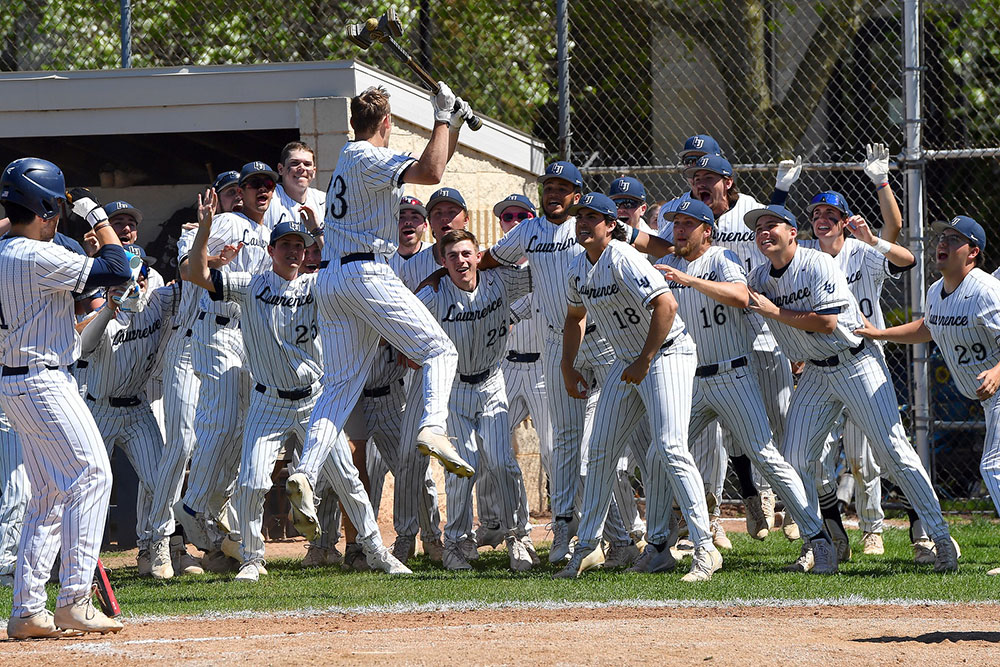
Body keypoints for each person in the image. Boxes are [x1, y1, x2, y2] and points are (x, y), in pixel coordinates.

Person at [284, 84, 474, 543]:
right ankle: (433, 427)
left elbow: (433, 161)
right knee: (440, 352)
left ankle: (306, 471)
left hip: (334, 278)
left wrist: (451, 123)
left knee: (338, 388)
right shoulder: (368, 156)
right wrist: (441, 116)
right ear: (385, 124)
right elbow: (431, 171)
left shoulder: (350, 159)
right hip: (365, 271)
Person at [744, 204, 958, 573]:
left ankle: (938, 536)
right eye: (758, 227)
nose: (764, 231)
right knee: (794, 460)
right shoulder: (760, 277)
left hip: (856, 361)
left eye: (772, 224)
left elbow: (827, 323)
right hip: (815, 372)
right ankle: (819, 543)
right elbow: (741, 297)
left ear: (793, 232)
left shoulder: (817, 263)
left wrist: (774, 312)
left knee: (893, 451)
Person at [655, 199, 831, 571]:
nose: (679, 230)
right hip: (690, 381)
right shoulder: (667, 266)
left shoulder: (722, 258)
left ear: (707, 230)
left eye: (688, 224)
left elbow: (741, 295)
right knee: (661, 454)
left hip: (733, 375)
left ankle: (817, 538)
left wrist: (689, 280)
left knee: (766, 456)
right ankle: (658, 546)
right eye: (675, 223)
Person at [553, 193, 719, 582]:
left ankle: (705, 548)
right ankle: (587, 547)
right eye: (579, 216)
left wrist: (645, 359)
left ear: (611, 224)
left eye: (592, 216)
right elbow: (575, 317)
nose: (583, 222)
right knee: (599, 451)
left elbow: (667, 306)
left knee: (670, 447)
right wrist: (567, 364)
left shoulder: (624, 257)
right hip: (627, 359)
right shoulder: (577, 267)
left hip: (666, 353)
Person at [0, 158, 129, 637]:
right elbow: (117, 268)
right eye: (54, 206)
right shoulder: (35, 255)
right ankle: (74, 599)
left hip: (17, 381)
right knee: (93, 474)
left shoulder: (7, 250)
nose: (58, 215)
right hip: (43, 380)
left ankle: (27, 609)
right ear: (44, 207)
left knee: (49, 495)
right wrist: (96, 214)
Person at [857, 215, 999, 575]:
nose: (943, 243)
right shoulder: (936, 291)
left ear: (973, 252)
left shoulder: (985, 290)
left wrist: (997, 371)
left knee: (993, 466)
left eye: (954, 239)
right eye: (942, 237)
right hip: (988, 399)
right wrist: (880, 334)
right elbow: (928, 327)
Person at [416, 229, 534, 571]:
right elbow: (401, 317)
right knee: (460, 469)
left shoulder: (500, 281)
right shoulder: (434, 293)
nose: (461, 261)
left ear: (479, 256)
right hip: (453, 389)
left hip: (492, 382)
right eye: (452, 256)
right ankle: (456, 542)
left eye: (466, 253)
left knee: (502, 462)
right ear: (442, 261)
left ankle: (518, 537)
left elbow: (543, 272)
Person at [178, 162, 276, 569]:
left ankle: (212, 507)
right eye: (251, 185)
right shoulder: (232, 222)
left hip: (247, 336)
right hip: (216, 328)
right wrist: (211, 250)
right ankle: (193, 505)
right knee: (219, 422)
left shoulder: (269, 232)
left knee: (241, 429)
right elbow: (187, 268)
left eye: (267, 184)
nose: (260, 190)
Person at [78, 259, 180, 579]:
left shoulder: (156, 302)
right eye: (123, 284)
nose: (132, 289)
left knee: (161, 479)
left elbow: (191, 287)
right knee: (88, 485)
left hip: (137, 408)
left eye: (138, 281)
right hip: (100, 410)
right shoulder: (103, 317)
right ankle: (77, 559)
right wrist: (109, 308)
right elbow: (83, 346)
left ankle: (155, 546)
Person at [474, 194, 546, 564]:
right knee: (490, 449)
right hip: (505, 368)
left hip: (544, 369)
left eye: (522, 216)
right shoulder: (491, 265)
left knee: (555, 452)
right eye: (507, 217)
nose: (513, 222)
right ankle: (493, 523)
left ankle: (578, 528)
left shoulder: (544, 260)